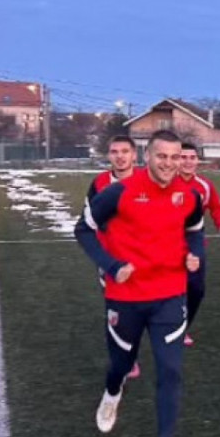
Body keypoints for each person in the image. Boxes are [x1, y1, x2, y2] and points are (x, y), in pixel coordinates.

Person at [74, 129, 205, 437]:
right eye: (162, 156)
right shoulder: (119, 192)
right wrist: (111, 265)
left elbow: (195, 230)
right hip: (126, 296)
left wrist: (194, 254)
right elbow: (83, 229)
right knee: (120, 364)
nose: (169, 163)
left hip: (170, 295)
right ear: (148, 156)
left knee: (171, 369)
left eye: (175, 157)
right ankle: (112, 393)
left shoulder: (189, 196)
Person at [86, 135, 144, 378]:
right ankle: (126, 359)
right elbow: (89, 221)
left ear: (134, 155)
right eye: (114, 152)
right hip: (111, 260)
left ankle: (131, 351)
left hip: (143, 257)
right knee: (117, 312)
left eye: (125, 151)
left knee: (140, 310)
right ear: (109, 155)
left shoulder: (147, 181)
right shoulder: (99, 183)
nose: (120, 156)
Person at [177, 143, 220, 346]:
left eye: (192, 157)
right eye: (183, 157)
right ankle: (167, 326)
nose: (188, 162)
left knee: (196, 289)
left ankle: (183, 327)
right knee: (170, 289)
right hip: (166, 244)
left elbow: (216, 206)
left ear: (198, 160)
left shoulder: (204, 185)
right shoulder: (166, 182)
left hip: (194, 244)